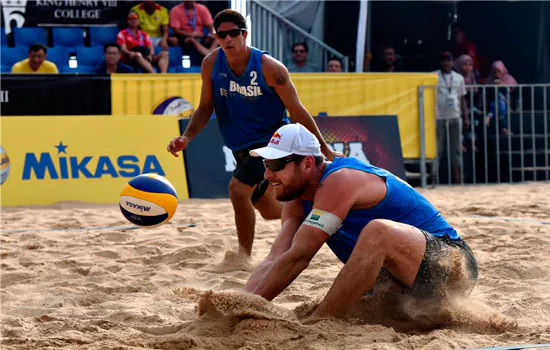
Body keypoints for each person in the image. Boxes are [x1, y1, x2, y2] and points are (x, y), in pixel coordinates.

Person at [242, 123, 478, 322]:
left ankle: (321, 322)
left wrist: (245, 311)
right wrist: (240, 304)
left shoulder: (339, 180)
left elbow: (299, 257)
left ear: (307, 164)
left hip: (450, 263)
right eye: (266, 165)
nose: (267, 175)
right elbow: (276, 258)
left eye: (275, 165)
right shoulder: (297, 197)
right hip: (402, 285)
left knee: (378, 233)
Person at [166, 10, 342, 257]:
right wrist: (187, 137)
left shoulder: (270, 68)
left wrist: (323, 148)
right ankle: (313, 218)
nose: (228, 39)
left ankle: (242, 257)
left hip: (272, 141)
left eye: (233, 34)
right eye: (221, 35)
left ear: (244, 34)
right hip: (240, 145)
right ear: (216, 37)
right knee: (267, 208)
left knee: (238, 191)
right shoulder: (210, 64)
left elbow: (296, 110)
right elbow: (206, 106)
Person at [436, 51, 468, 184]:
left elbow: (462, 98)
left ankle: (457, 177)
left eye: (448, 60)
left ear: (453, 62)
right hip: (438, 116)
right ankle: (434, 176)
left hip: (455, 115)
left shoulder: (459, 78)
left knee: (456, 147)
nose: (446, 63)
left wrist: (466, 117)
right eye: (443, 60)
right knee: (437, 148)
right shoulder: (433, 76)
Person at [170, 1, 218, 66]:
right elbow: (176, 30)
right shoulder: (175, 10)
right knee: (191, 42)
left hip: (202, 36)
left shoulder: (202, 8)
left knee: (217, 38)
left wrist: (211, 34)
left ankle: (211, 56)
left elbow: (210, 25)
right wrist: (192, 35)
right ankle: (200, 65)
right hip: (184, 37)